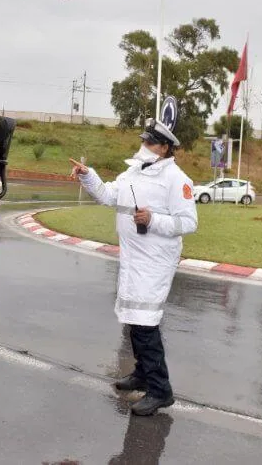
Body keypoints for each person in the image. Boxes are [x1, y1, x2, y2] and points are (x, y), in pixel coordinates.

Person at [69, 118, 198, 416]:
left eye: (150, 142)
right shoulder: (133, 172)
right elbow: (108, 195)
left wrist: (153, 220)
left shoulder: (176, 179)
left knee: (145, 322)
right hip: (132, 258)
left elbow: (189, 223)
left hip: (155, 261)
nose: (144, 145)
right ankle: (142, 373)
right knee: (133, 318)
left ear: (164, 148)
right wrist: (88, 175)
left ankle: (160, 390)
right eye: (143, 140)